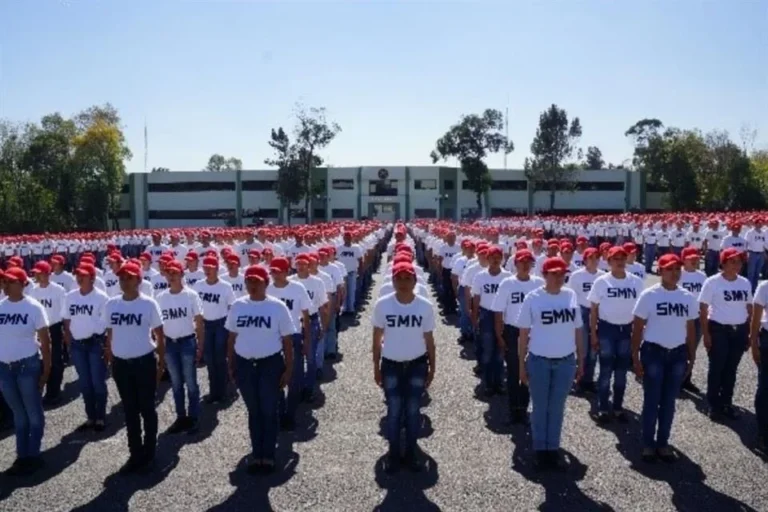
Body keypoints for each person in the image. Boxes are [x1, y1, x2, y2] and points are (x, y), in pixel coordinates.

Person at [226, 265, 294, 474]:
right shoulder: (238, 306)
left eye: (257, 281)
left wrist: (288, 369)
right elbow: (231, 338)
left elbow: (287, 340)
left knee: (268, 410)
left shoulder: (277, 307)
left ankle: (268, 455)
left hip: (270, 364)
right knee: (254, 411)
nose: (253, 285)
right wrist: (231, 364)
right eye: (249, 281)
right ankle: (257, 454)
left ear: (266, 283)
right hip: (245, 364)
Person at [517, 257, 583, 470]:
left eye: (562, 273)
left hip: (565, 360)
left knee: (557, 407)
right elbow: (523, 333)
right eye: (553, 273)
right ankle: (540, 449)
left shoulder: (571, 295)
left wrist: (581, 360)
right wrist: (520, 365)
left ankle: (552, 449)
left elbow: (578, 330)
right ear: (544, 275)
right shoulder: (533, 298)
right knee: (540, 407)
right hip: (539, 360)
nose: (558, 277)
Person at [631, 254, 697, 462]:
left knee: (669, 401)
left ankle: (663, 443)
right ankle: (648, 443)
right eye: (669, 269)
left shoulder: (687, 296)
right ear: (660, 271)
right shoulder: (649, 295)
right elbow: (638, 327)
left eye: (678, 269)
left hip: (677, 353)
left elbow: (690, 328)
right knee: (652, 399)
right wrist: (635, 356)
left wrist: (692, 355)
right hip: (654, 353)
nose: (675, 273)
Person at [372, 261, 436, 473]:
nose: (403, 283)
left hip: (417, 364)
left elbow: (429, 339)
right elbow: (376, 338)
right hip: (390, 364)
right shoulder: (383, 304)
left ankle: (410, 452)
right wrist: (375, 366)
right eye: (398, 278)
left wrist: (432, 367)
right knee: (394, 409)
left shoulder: (425, 306)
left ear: (415, 281)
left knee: (412, 409)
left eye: (407, 278)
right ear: (393, 281)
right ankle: (393, 453)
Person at [104, 261, 165, 474]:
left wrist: (161, 362)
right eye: (121, 277)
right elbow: (110, 333)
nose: (123, 281)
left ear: (139, 280)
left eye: (128, 277)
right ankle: (135, 453)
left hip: (143, 362)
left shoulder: (149, 304)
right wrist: (110, 357)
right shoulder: (112, 304)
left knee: (147, 408)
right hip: (121, 364)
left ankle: (150, 452)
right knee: (129, 410)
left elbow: (159, 334)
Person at [0, 267, 51, 476]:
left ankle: (33, 454)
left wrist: (46, 370)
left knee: (33, 412)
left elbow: (46, 343)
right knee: (18, 414)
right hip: (4, 367)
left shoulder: (34, 308)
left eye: (10, 281)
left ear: (22, 284)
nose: (5, 285)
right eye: (5, 282)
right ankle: (22, 456)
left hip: (27, 365)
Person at [588, 246, 644, 423]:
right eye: (615, 259)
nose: (619, 262)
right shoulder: (601, 281)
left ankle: (618, 406)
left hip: (626, 330)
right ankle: (603, 406)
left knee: (621, 371)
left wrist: (638, 332)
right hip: (606, 329)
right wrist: (593, 334)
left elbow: (640, 310)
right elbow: (594, 309)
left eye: (622, 258)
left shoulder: (636, 282)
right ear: (609, 261)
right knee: (605, 370)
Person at [491, 249, 544, 424]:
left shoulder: (538, 283)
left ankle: (524, 405)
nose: (525, 265)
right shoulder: (507, 284)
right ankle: (514, 408)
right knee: (513, 370)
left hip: (534, 332)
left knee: (530, 369)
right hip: (513, 331)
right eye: (522, 262)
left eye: (529, 262)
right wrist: (499, 334)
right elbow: (498, 312)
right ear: (516, 264)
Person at [698, 248, 752, 420]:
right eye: (733, 261)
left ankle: (726, 402)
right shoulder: (712, 282)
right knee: (717, 368)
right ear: (723, 262)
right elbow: (703, 308)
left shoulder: (744, 282)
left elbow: (749, 307)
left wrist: (749, 331)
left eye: (739, 262)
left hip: (739, 330)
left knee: (731, 369)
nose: (737, 265)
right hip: (719, 329)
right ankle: (714, 404)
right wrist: (706, 334)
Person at [156, 261, 204, 434]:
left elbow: (199, 321)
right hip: (170, 343)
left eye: (175, 272)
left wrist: (200, 345)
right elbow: (158, 324)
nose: (171, 276)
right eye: (168, 272)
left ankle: (194, 417)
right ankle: (180, 417)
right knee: (176, 384)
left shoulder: (191, 295)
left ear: (182, 275)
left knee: (191, 382)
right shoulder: (161, 297)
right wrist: (159, 346)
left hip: (187, 342)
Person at [62, 263, 110, 432]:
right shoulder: (70, 297)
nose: (79, 278)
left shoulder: (102, 298)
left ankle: (101, 417)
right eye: (78, 275)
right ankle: (90, 416)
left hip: (95, 343)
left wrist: (107, 346)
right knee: (84, 383)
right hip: (77, 344)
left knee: (97, 382)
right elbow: (67, 319)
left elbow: (107, 324)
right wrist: (68, 338)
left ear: (92, 278)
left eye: (83, 275)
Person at [266, 257, 311, 431]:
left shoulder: (297, 288)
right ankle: (279, 411)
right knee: (276, 376)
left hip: (293, 336)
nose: (275, 275)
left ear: (286, 272)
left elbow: (305, 315)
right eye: (273, 272)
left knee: (294, 377)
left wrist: (307, 339)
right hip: (273, 338)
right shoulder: (268, 289)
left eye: (278, 271)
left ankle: (289, 414)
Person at [194, 256, 236, 404]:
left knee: (219, 357)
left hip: (220, 324)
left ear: (217, 269)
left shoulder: (225, 286)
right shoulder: (199, 285)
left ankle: (223, 391)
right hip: (205, 324)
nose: (207, 270)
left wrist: (231, 328)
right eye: (205, 267)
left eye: (210, 268)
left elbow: (231, 307)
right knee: (209, 359)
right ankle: (213, 391)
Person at [471, 246, 511, 395]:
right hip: (486, 315)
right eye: (492, 257)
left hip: (504, 315)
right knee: (488, 350)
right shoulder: (480, 276)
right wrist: (474, 316)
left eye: (498, 257)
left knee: (501, 351)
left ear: (502, 259)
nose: (495, 260)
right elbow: (476, 298)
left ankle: (499, 381)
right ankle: (487, 382)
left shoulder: (507, 277)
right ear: (487, 259)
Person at [28, 261, 67, 406]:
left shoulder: (58, 290)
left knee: (56, 361)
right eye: (35, 273)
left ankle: (53, 392)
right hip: (38, 329)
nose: (36, 275)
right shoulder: (34, 290)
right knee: (40, 361)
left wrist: (64, 331)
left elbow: (63, 312)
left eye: (39, 273)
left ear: (46, 274)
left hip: (54, 327)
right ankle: (40, 390)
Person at [566, 248, 603, 394]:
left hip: (598, 313)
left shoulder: (602, 276)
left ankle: (588, 379)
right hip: (581, 310)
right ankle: (579, 378)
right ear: (585, 260)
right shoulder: (576, 275)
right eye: (591, 258)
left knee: (594, 349)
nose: (594, 260)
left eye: (596, 257)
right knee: (582, 348)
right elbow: (571, 296)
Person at [679, 247, 707, 393]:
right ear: (684, 259)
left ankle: (686, 378)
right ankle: (676, 379)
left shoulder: (702, 276)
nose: (695, 260)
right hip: (680, 317)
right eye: (692, 258)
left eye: (696, 258)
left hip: (696, 317)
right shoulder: (678, 274)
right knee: (679, 348)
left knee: (692, 349)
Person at [751, 275, 768, 451]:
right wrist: (754, 343)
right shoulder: (764, 287)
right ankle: (764, 432)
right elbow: (755, 319)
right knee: (765, 388)